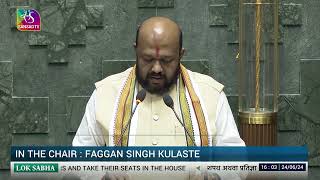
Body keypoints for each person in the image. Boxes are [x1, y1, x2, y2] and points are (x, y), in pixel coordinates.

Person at [73, 16, 245, 147]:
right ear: (136, 51)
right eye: (148, 59)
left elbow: (235, 161)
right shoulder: (105, 94)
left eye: (166, 60)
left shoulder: (211, 95)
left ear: (180, 55)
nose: (156, 69)